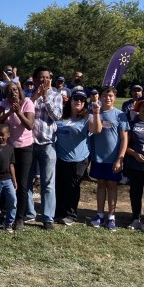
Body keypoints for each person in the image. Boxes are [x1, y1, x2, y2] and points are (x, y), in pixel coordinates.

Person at [54, 89, 101, 225]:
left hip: (78, 160)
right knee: (60, 186)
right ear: (71, 100)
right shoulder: (62, 115)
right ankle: (58, 213)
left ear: (84, 103)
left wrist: (97, 112)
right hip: (60, 157)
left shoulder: (87, 118)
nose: (78, 101)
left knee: (72, 188)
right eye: (76, 99)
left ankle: (70, 215)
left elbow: (97, 130)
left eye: (81, 100)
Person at [0, 81, 35, 231]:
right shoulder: (5, 103)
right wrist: (10, 112)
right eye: (9, 90)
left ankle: (20, 218)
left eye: (15, 90)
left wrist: (18, 112)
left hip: (24, 148)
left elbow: (30, 125)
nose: (13, 93)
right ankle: (6, 214)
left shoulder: (27, 103)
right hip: (9, 148)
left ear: (20, 91)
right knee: (7, 182)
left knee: (22, 185)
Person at [27, 66, 62, 230]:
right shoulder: (27, 95)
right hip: (28, 143)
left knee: (48, 183)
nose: (44, 80)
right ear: (34, 80)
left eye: (47, 77)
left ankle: (48, 217)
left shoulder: (56, 95)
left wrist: (46, 98)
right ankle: (29, 213)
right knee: (27, 180)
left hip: (48, 144)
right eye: (41, 77)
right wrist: (35, 96)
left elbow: (56, 116)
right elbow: (23, 111)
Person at [88, 87, 128, 230]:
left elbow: (124, 139)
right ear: (100, 97)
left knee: (112, 186)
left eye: (110, 96)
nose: (107, 98)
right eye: (105, 95)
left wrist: (120, 158)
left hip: (113, 158)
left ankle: (111, 216)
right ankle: (99, 214)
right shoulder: (95, 112)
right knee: (100, 185)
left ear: (115, 98)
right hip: (98, 157)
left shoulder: (120, 115)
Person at [125, 94, 144, 230]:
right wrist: (135, 154)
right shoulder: (132, 123)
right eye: (143, 106)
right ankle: (135, 218)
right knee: (135, 193)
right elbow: (125, 145)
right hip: (135, 165)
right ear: (139, 108)